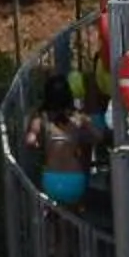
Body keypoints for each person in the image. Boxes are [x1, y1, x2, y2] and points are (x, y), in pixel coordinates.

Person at [23, 76, 98, 204]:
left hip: (52, 179)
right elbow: (98, 136)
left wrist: (40, 143)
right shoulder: (78, 118)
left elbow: (30, 141)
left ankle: (54, 221)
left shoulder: (41, 118)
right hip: (74, 179)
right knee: (73, 216)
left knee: (55, 212)